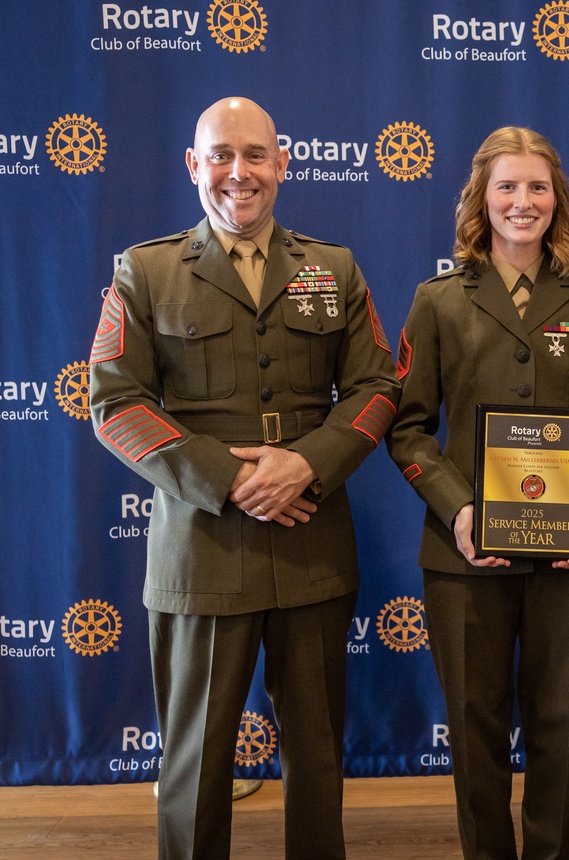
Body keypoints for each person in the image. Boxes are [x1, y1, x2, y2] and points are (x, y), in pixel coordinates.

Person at [88, 96, 400, 859]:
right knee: (195, 760)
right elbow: (114, 403)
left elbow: (377, 388)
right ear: (193, 166)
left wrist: (307, 463)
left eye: (255, 154)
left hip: (311, 543)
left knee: (317, 757)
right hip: (202, 551)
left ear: (282, 164)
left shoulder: (334, 268)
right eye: (220, 155)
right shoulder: (146, 270)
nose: (239, 172)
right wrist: (227, 479)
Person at [387, 126, 569, 859]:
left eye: (537, 186)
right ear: (482, 198)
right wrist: (459, 509)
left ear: (557, 198)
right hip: (465, 554)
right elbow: (407, 429)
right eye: (507, 186)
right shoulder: (438, 300)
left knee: (562, 725)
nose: (522, 201)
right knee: (475, 730)